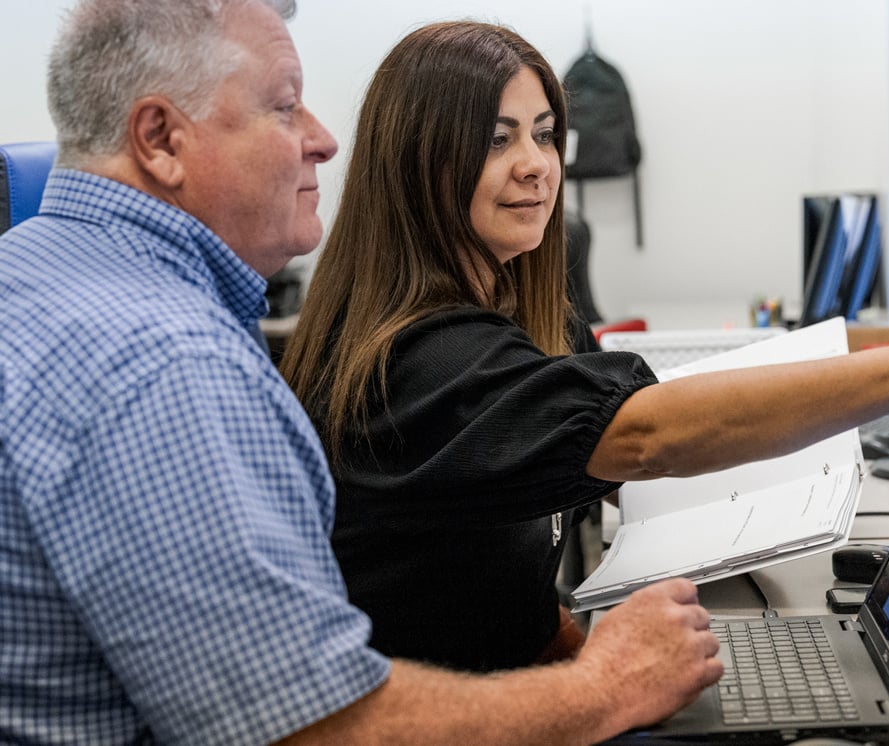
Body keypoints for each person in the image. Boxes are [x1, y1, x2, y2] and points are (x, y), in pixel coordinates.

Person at [278, 19, 889, 675]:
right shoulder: (417, 363)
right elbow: (649, 433)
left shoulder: (517, 321)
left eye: (544, 133)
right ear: (417, 161)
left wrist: (583, 655)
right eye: (497, 139)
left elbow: (492, 591)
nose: (536, 163)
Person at [0, 2, 724, 744]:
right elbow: (302, 726)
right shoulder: (165, 365)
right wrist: (606, 684)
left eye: (544, 135)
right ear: (159, 139)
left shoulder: (32, 275)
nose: (323, 139)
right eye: (285, 107)